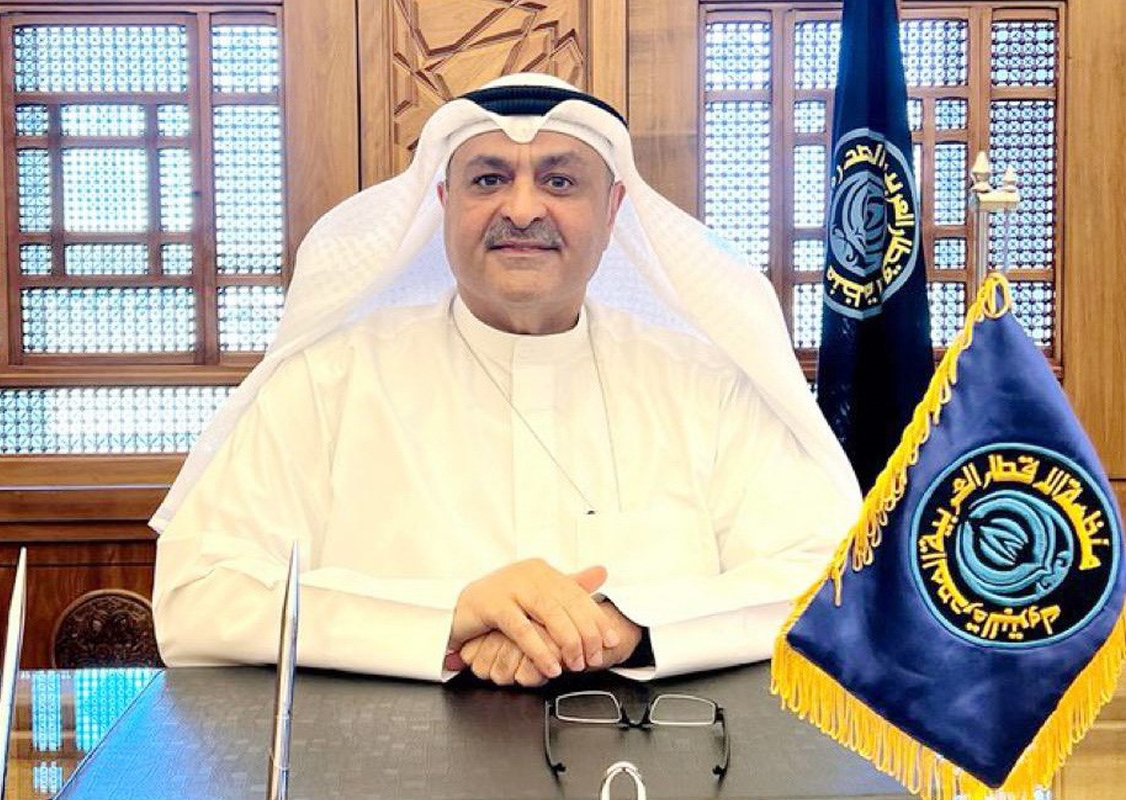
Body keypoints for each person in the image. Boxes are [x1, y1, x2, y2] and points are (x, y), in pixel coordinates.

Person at [151, 73, 861, 686]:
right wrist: (450, 616)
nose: (522, 210)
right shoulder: (329, 380)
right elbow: (198, 596)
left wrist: (631, 624)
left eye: (559, 181)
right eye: (489, 179)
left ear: (612, 210)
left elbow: (829, 576)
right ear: (444, 202)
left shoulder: (706, 385)